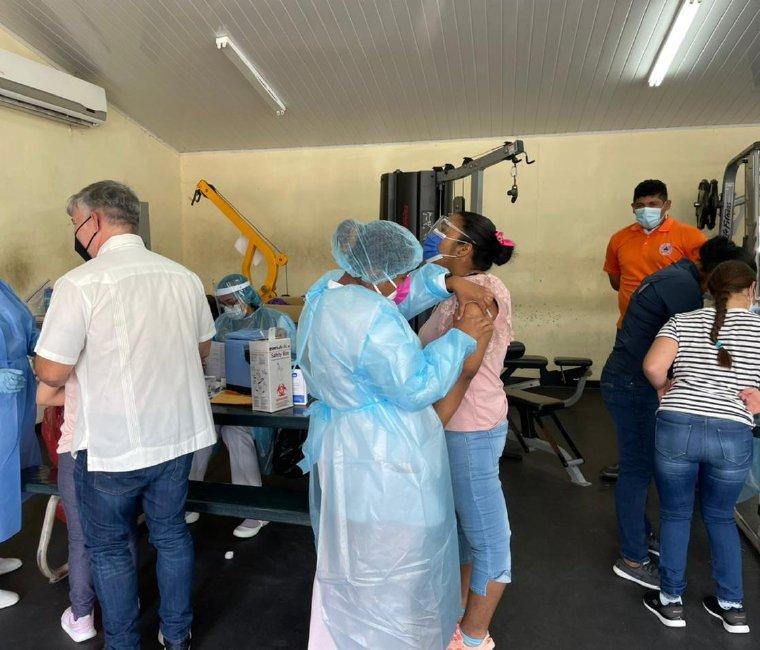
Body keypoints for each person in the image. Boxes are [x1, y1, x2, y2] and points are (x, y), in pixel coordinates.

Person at [34, 180, 216, 650]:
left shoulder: (80, 283)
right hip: (176, 438)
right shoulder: (184, 277)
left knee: (111, 548)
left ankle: (122, 643)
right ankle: (176, 634)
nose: (76, 233)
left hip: (112, 447)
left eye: (75, 223)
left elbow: (51, 371)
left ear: (93, 220)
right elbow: (201, 351)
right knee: (171, 536)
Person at [297, 219, 494, 649]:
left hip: (344, 446)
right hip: (383, 456)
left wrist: (445, 282)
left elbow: (391, 304)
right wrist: (460, 338)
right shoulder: (370, 318)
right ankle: (393, 637)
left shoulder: (328, 292)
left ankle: (346, 633)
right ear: (380, 273)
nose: (404, 287)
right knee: (396, 553)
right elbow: (416, 385)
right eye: (402, 277)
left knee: (351, 548)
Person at [601, 236, 753, 591]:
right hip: (633, 385)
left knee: (647, 472)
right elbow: (696, 353)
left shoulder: (678, 277)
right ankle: (633, 559)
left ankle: (641, 537)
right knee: (637, 470)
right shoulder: (683, 292)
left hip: (632, 380)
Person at [641, 260, 759, 633]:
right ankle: (732, 608)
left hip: (677, 425)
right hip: (732, 431)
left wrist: (663, 387)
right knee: (721, 516)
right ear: (752, 289)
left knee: (676, 513)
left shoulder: (682, 321)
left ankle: (671, 602)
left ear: (709, 288)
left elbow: (653, 367)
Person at [418, 213, 515, 650]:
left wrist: (434, 421)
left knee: (489, 539)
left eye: (445, 230)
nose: (434, 234)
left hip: (468, 426)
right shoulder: (456, 290)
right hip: (456, 424)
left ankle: (474, 638)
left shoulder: (480, 297)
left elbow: (465, 368)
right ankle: (458, 614)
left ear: (464, 249)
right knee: (465, 530)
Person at [601, 180, 706, 481]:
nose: (646, 210)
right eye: (640, 205)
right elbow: (615, 280)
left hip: (675, 335)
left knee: (674, 396)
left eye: (653, 204)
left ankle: (676, 460)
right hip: (631, 332)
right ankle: (635, 458)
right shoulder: (619, 239)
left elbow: (703, 278)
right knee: (632, 397)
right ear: (632, 207)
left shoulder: (689, 236)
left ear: (666, 205)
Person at [187, 273, 296, 538]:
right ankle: (190, 498)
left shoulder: (275, 320)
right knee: (201, 432)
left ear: (245, 296)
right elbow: (212, 357)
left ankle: (255, 511)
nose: (228, 307)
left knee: (235, 432)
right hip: (226, 395)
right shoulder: (222, 323)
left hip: (265, 398)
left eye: (231, 301)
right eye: (223, 303)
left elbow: (291, 360)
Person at [37, 375, 138, 643]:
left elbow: (44, 395)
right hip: (120, 446)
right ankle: (126, 602)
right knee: (123, 529)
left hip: (77, 447)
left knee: (80, 535)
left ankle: (82, 617)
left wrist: (78, 396)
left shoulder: (72, 349)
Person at [0, 279, 41, 610]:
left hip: (13, 401)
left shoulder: (2, 287)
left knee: (4, 483)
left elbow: (26, 328)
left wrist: (48, 346)